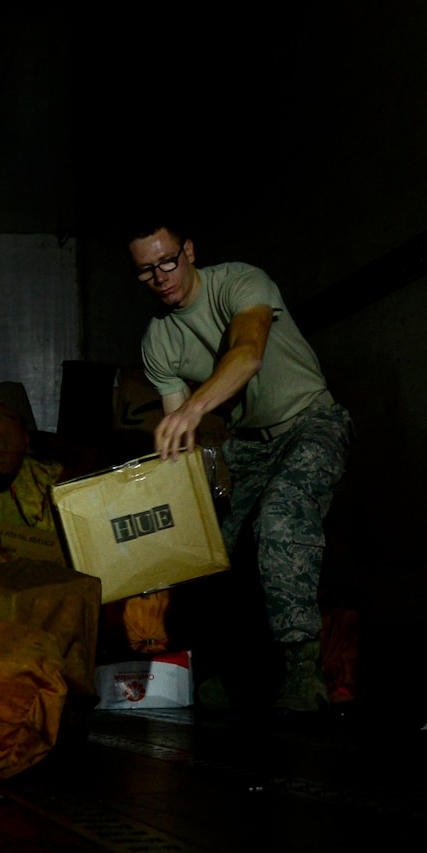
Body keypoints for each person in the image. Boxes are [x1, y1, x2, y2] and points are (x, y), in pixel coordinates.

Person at [129, 225, 351, 711]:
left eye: (167, 261)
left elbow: (248, 353)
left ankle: (302, 672)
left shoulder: (241, 283)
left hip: (310, 421)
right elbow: (177, 430)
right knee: (213, 549)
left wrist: (193, 410)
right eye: (146, 270)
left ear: (188, 251)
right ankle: (221, 674)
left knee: (280, 517)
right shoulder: (158, 340)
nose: (160, 277)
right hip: (248, 447)